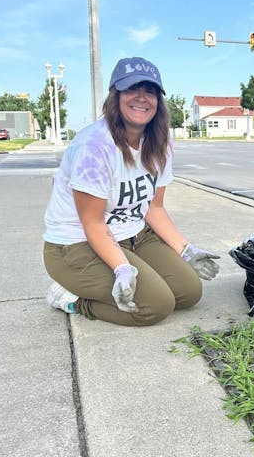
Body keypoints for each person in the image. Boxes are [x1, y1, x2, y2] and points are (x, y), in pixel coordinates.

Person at [42, 56, 220, 326]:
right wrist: (122, 268)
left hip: (133, 235)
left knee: (188, 293)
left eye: (150, 91)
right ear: (116, 95)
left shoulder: (160, 141)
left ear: (159, 101)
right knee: (155, 306)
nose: (142, 97)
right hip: (75, 244)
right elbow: (92, 222)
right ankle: (70, 298)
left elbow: (154, 207)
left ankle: (127, 275)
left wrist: (186, 250)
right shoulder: (94, 147)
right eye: (132, 88)